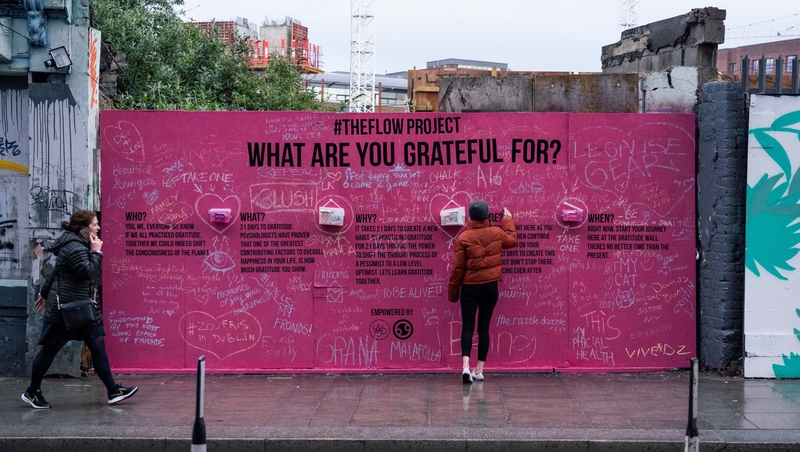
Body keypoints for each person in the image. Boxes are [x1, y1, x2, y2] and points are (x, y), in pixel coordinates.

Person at [22, 210, 138, 409]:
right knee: (50, 350)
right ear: (84, 229)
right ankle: (32, 392)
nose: (98, 228)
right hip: (67, 311)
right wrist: (96, 252)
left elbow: (56, 272)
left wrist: (43, 293)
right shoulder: (75, 248)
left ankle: (113, 391)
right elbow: (88, 272)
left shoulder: (77, 244)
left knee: (98, 346)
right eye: (94, 225)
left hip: (83, 309)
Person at [448, 200, 517, 384]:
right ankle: (479, 370)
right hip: (490, 287)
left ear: (470, 217)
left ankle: (465, 367)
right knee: (484, 327)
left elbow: (457, 269)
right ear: (488, 216)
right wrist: (508, 221)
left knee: (467, 326)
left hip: (469, 288)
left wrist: (453, 293)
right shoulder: (497, 233)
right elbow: (511, 241)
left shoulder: (463, 238)